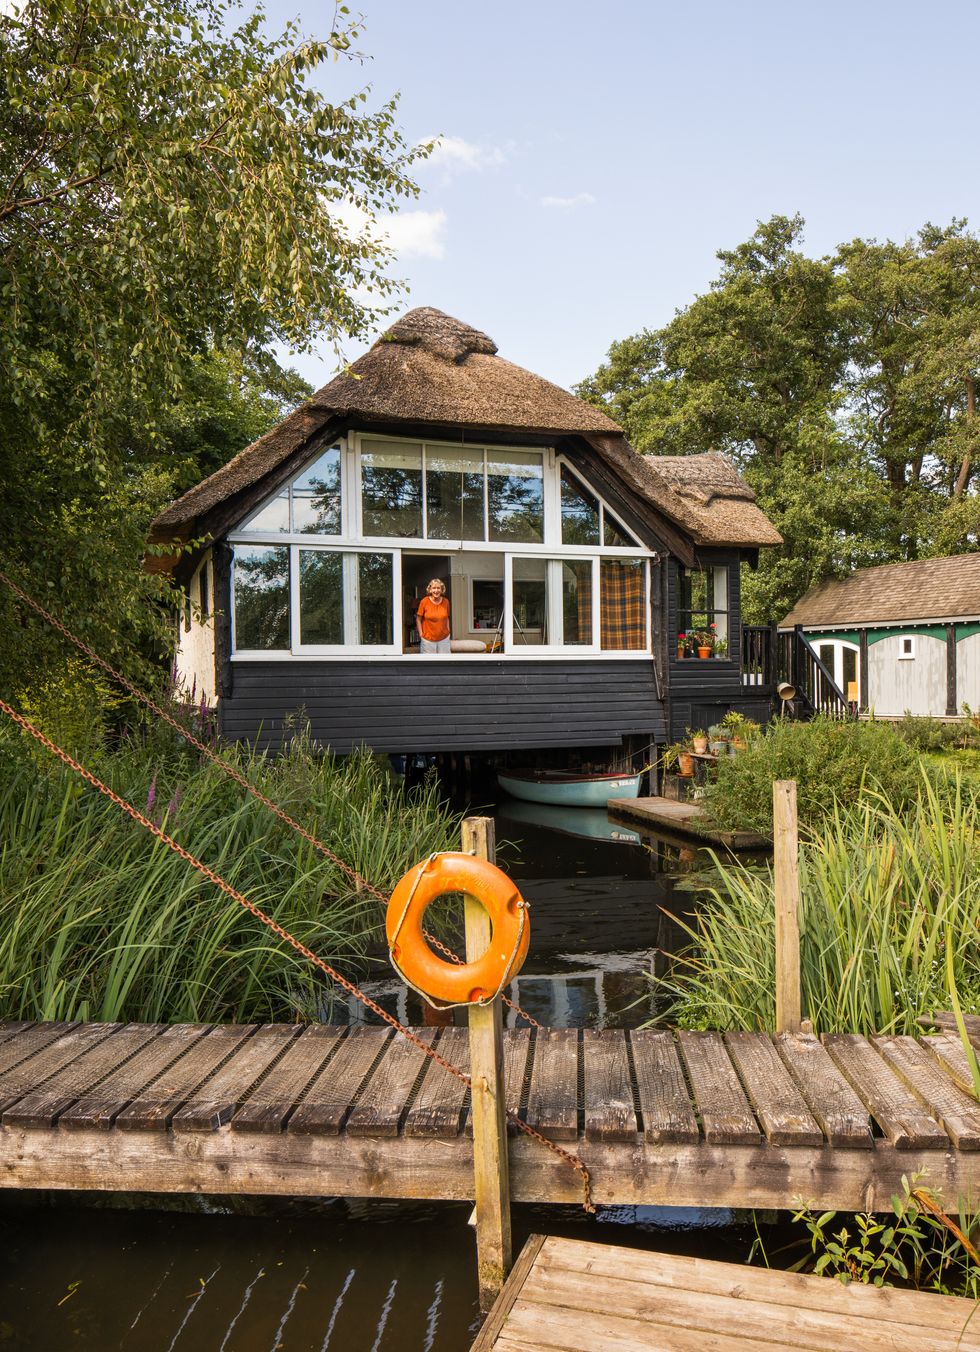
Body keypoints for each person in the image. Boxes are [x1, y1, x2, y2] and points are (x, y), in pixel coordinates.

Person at [416, 578, 451, 653]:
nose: (436, 590)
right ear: (430, 590)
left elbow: (447, 618)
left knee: (444, 662)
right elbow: (418, 619)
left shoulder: (446, 602)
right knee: (428, 664)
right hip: (428, 640)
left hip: (444, 639)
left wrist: (448, 631)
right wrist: (421, 634)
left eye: (438, 588)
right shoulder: (424, 601)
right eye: (434, 588)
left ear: (442, 590)